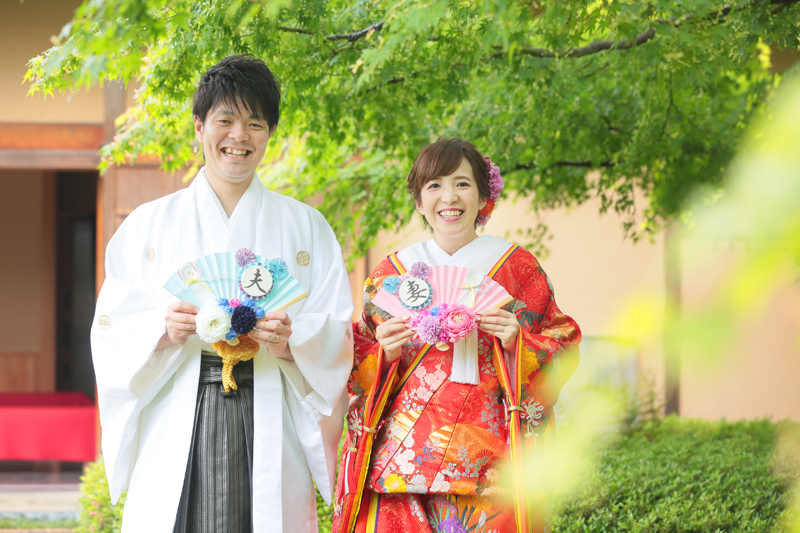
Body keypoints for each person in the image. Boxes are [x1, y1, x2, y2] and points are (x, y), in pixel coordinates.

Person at [91, 54, 354, 533]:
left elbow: (337, 328)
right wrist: (161, 330)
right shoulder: (148, 225)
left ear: (269, 133)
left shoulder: (307, 227)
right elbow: (112, 326)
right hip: (176, 408)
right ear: (199, 126)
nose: (239, 136)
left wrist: (292, 339)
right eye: (225, 120)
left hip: (270, 407)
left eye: (255, 123)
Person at [332, 137, 581, 533]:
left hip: (493, 463)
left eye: (462, 183)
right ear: (419, 202)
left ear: (483, 197)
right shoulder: (392, 273)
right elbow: (354, 355)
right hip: (400, 461)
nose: (449, 197)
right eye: (434, 185)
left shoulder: (518, 267)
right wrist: (384, 355)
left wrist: (519, 344)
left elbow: (563, 342)